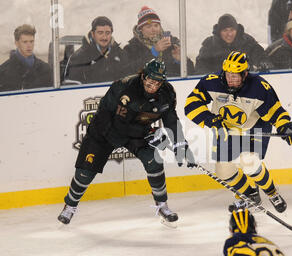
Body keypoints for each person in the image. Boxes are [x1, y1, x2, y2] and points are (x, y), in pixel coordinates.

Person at [58, 59, 196, 227]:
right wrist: (150, 133)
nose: (153, 86)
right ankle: (70, 206)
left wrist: (180, 143)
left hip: (137, 131)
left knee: (154, 162)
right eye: (150, 81)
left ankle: (162, 206)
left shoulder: (167, 93)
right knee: (85, 172)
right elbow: (119, 124)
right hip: (105, 129)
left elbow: (170, 119)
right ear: (143, 76)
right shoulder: (126, 89)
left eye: (158, 82)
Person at [185, 51, 292, 213]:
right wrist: (211, 120)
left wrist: (286, 127)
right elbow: (191, 105)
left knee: (249, 162)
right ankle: (250, 195)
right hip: (226, 128)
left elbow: (275, 112)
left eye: (235, 76)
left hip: (255, 127)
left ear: (245, 74)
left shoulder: (259, 87)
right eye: (228, 75)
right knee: (224, 171)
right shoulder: (211, 82)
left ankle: (272, 193)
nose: (231, 79)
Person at [123, 6, 195, 78]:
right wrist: (153, 52)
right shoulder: (131, 48)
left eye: (156, 25)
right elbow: (128, 72)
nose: (153, 29)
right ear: (141, 30)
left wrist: (180, 61)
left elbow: (192, 73)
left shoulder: (172, 43)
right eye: (149, 26)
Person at [194, 14, 273, 75]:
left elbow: (260, 55)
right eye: (225, 30)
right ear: (219, 32)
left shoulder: (247, 41)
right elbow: (200, 67)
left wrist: (264, 63)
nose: (229, 34)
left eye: (232, 30)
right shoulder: (209, 45)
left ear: (237, 30)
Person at [65, 16, 128, 84]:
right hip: (89, 94)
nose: (104, 37)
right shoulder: (78, 57)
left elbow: (128, 80)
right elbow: (72, 86)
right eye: (100, 33)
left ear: (111, 33)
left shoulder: (121, 54)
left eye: (107, 33)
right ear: (93, 34)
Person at [0, 24, 52, 92]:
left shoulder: (45, 69)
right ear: (17, 43)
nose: (29, 45)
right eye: (25, 42)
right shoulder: (2, 71)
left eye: (31, 41)